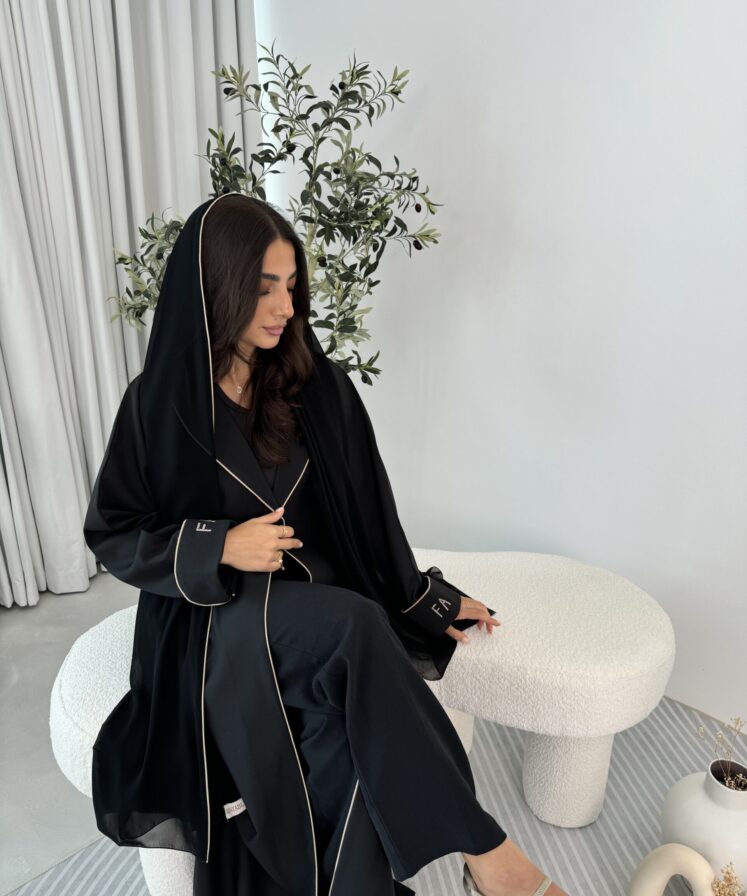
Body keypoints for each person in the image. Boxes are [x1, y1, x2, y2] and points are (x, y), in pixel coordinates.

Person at [83, 192, 566, 896]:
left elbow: (372, 511)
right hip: (212, 625)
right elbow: (113, 531)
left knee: (344, 737)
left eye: (290, 285)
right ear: (219, 287)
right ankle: (486, 850)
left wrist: (427, 600)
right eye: (263, 287)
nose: (284, 306)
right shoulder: (156, 405)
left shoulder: (316, 387)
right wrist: (218, 546)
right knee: (356, 628)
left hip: (310, 607)